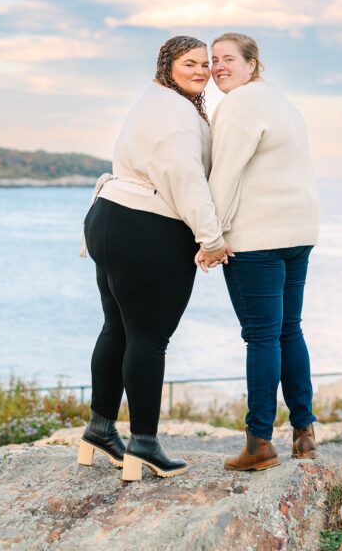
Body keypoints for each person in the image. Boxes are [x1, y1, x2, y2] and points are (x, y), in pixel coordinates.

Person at [79, 35, 231, 482]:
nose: (201, 71)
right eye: (190, 63)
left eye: (205, 64)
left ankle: (101, 430)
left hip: (108, 217)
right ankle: (143, 444)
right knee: (148, 338)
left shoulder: (155, 98)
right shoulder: (177, 117)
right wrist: (212, 239)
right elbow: (185, 182)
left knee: (118, 330)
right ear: (168, 64)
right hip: (144, 227)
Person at [198, 32, 320, 471]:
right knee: (290, 330)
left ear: (253, 64)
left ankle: (259, 443)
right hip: (298, 232)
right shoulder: (281, 102)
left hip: (258, 240)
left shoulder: (240, 105)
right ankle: (304, 435)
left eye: (228, 58)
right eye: (214, 60)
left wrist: (208, 238)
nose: (218, 67)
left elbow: (224, 176)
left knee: (262, 337)